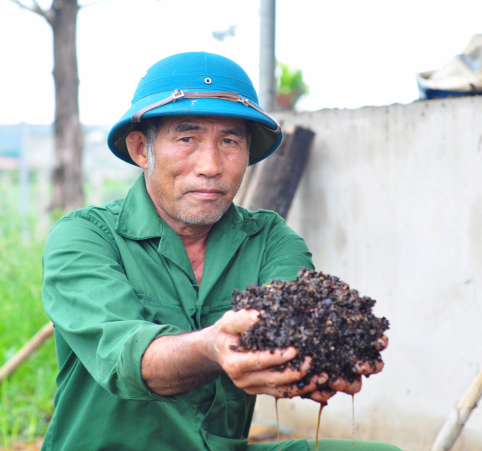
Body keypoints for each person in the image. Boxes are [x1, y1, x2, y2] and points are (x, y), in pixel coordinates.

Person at [41, 52, 397, 451]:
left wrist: (326, 350)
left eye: (229, 141)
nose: (210, 165)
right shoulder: (85, 237)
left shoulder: (269, 239)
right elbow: (128, 360)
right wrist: (213, 347)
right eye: (186, 138)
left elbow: (298, 320)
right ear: (142, 149)